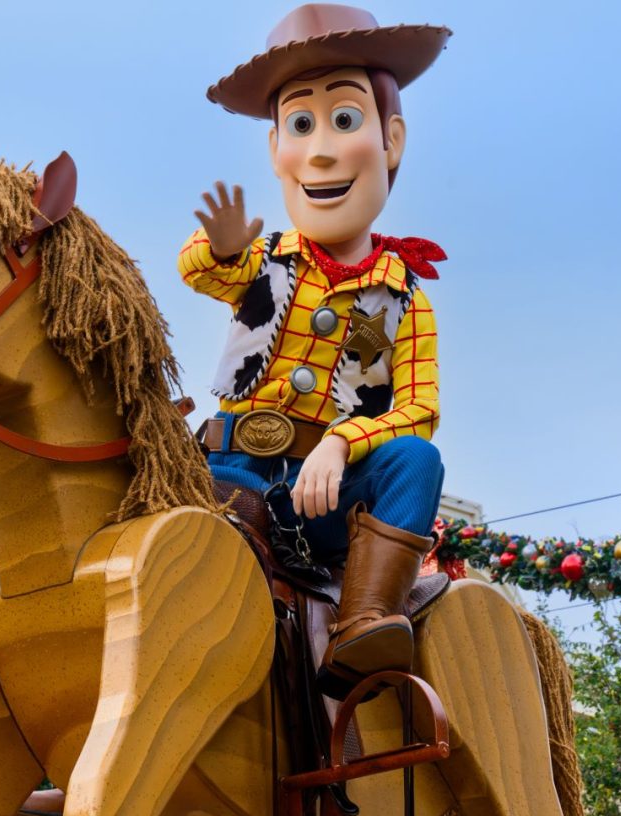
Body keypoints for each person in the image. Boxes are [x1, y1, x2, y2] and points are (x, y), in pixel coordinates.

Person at [181, 3, 451, 685]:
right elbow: (206, 271)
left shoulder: (403, 297)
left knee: (418, 458)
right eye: (301, 124)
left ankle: (365, 623)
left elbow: (419, 409)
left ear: (390, 140)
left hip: (326, 501)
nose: (323, 148)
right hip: (229, 473)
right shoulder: (264, 257)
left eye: (345, 119)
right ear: (277, 148)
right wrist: (221, 246)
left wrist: (343, 441)